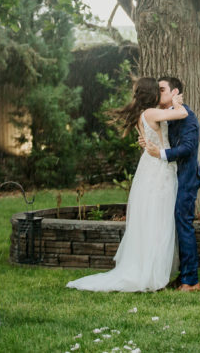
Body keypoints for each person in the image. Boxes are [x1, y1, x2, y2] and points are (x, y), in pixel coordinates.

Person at [68, 77, 187, 292]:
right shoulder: (151, 113)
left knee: (152, 220)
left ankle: (151, 268)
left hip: (150, 168)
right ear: (152, 94)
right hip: (159, 172)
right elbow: (182, 114)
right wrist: (177, 101)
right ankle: (152, 273)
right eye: (158, 90)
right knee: (159, 222)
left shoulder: (142, 115)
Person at [141, 76, 200, 291]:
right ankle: (182, 274)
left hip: (186, 178)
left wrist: (161, 153)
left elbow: (187, 148)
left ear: (175, 92)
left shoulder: (188, 118)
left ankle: (191, 280)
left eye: (162, 90)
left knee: (184, 224)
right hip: (170, 179)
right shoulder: (168, 115)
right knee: (175, 226)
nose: (158, 94)